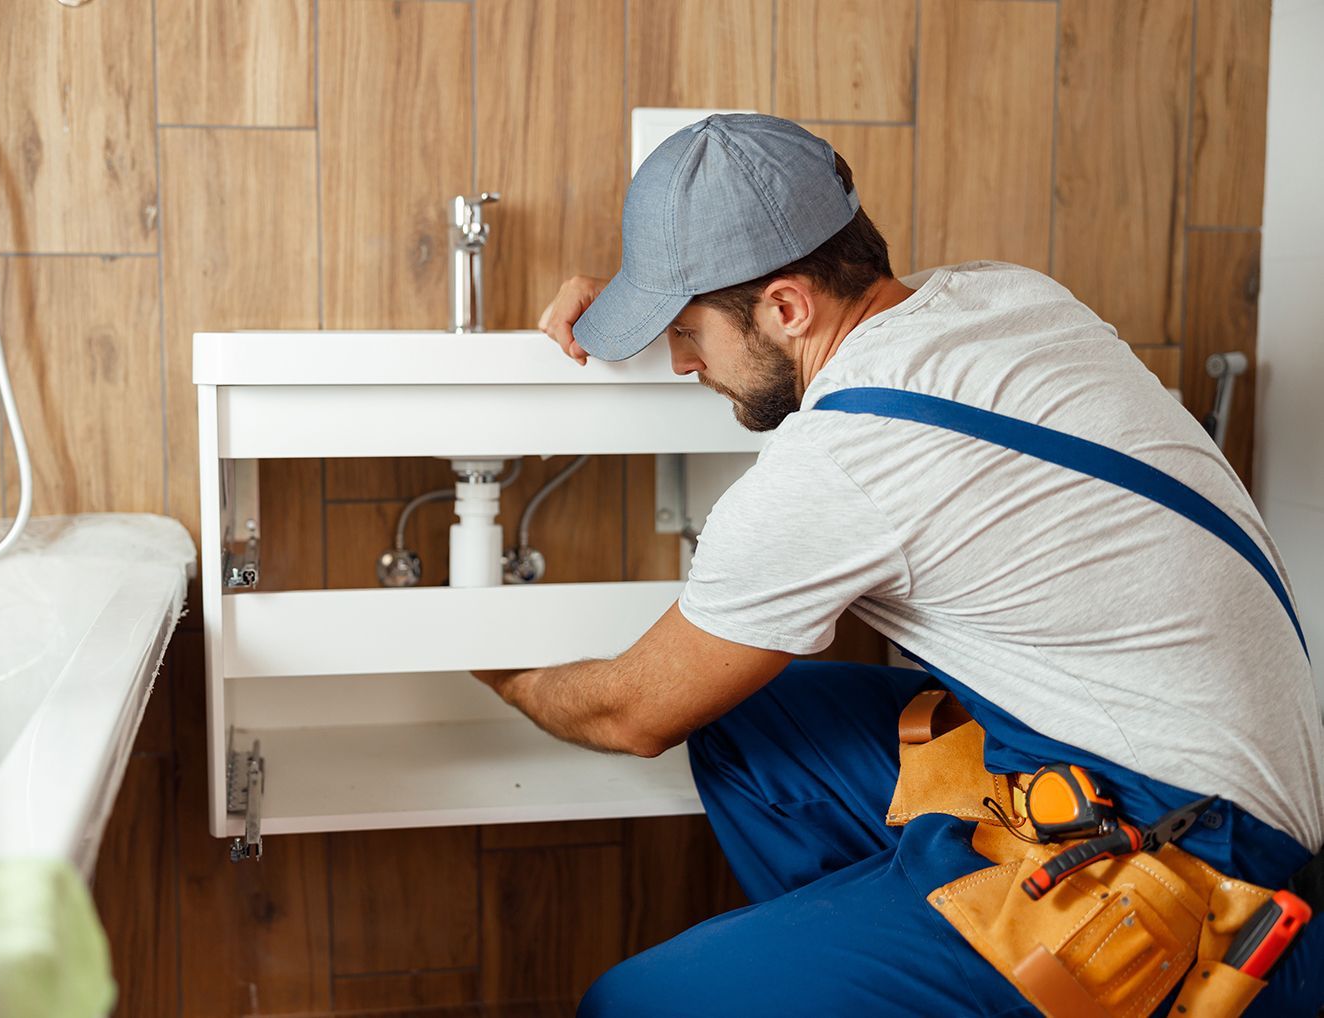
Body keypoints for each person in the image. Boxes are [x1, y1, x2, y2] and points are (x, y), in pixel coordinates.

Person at [471, 114, 1324, 1016]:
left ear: (787, 306)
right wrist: (646, 304)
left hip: (1199, 889)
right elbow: (759, 328)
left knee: (632, 1005)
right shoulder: (1003, 294)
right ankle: (888, 956)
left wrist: (503, 672)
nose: (680, 362)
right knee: (752, 732)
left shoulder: (844, 462)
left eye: (686, 331)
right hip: (1161, 781)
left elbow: (633, 713)